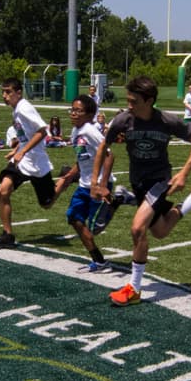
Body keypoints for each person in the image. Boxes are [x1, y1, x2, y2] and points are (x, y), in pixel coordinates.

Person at [91, 76, 191, 307]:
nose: (129, 105)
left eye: (134, 101)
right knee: (161, 231)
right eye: (128, 100)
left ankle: (134, 288)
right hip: (138, 182)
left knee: (137, 228)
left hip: (160, 181)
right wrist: (96, 182)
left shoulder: (167, 121)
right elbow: (104, 146)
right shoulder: (123, 120)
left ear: (149, 100)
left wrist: (182, 174)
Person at [57, 94, 129, 271]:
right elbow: (83, 159)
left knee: (94, 228)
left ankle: (117, 200)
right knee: (74, 219)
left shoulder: (90, 130)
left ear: (89, 115)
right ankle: (99, 261)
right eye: (72, 109)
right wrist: (69, 177)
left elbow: (109, 155)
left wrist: (102, 184)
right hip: (84, 185)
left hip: (97, 186)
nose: (73, 113)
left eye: (78, 111)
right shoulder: (76, 131)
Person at [0, 78, 56, 248]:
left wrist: (23, 151)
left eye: (8, 92)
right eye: (3, 92)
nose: (4, 96)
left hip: (35, 161)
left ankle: (67, 178)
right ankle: (7, 235)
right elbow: (28, 134)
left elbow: (42, 131)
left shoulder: (24, 108)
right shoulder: (16, 109)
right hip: (21, 160)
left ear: (19, 93)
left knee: (46, 204)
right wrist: (17, 148)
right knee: (3, 191)